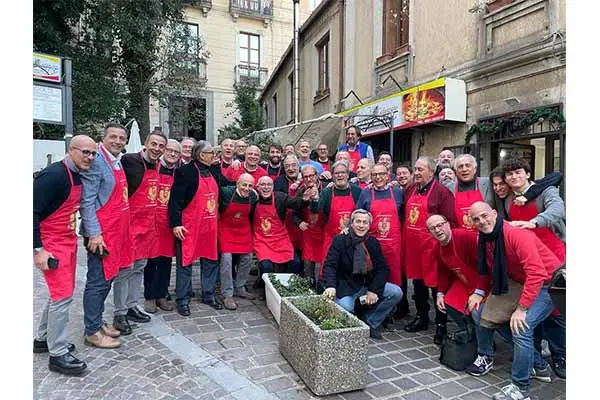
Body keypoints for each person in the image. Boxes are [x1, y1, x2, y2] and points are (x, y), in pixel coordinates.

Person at [466, 201, 563, 400]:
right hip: (521, 282)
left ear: (494, 213)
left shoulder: (516, 234)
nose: (482, 221)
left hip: (549, 284)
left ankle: (520, 388)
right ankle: (538, 364)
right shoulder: (484, 239)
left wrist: (522, 308)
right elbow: (487, 269)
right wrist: (478, 291)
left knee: (521, 326)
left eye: (485, 215)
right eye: (476, 219)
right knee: (479, 310)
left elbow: (537, 272)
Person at [33, 134, 97, 375]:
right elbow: (31, 211)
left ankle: (43, 339)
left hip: (67, 241)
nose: (89, 157)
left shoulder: (76, 174)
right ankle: (58, 354)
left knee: (60, 294)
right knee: (61, 298)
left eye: (93, 153)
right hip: (51, 244)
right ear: (71, 150)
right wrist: (38, 249)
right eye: (85, 152)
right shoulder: (54, 175)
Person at [80, 123, 133, 349]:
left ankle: (97, 321)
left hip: (115, 232)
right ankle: (92, 331)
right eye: (113, 137)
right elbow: (87, 202)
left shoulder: (115, 160)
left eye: (122, 138)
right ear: (103, 138)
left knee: (107, 281)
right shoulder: (97, 163)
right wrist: (94, 234)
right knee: (97, 283)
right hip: (102, 234)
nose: (118, 141)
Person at [111, 131, 167, 335]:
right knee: (124, 270)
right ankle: (119, 313)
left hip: (146, 228)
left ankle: (132, 306)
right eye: (154, 144)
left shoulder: (159, 165)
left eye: (161, 146)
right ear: (146, 143)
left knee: (139, 268)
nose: (157, 149)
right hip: (129, 226)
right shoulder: (129, 161)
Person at [169, 141, 229, 316]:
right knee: (185, 263)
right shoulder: (185, 172)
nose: (215, 155)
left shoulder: (213, 171)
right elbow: (174, 201)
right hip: (189, 226)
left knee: (210, 261)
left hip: (209, 226)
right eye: (211, 152)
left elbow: (228, 184)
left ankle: (208, 295)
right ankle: (182, 299)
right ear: (202, 155)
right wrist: (175, 224)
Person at [322, 209, 403, 339]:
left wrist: (373, 290)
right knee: (345, 308)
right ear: (351, 224)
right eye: (358, 221)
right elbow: (330, 265)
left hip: (367, 284)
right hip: (346, 286)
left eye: (365, 222)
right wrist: (330, 285)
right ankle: (354, 317)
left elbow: (383, 269)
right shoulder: (340, 240)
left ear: (369, 225)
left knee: (395, 292)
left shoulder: (372, 242)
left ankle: (370, 322)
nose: (361, 225)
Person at [403, 156, 457, 345]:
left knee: (437, 287)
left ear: (431, 171)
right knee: (417, 285)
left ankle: (441, 325)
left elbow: (451, 221)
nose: (416, 173)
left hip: (433, 248)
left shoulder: (442, 193)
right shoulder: (410, 189)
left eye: (420, 169)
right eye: (415, 169)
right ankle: (422, 317)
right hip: (414, 246)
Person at [501, 158, 565, 263]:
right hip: (526, 254)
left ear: (527, 175)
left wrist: (534, 223)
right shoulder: (508, 197)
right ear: (506, 179)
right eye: (510, 174)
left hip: (552, 251)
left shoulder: (546, 190)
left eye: (518, 172)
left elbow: (557, 209)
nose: (514, 176)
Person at [143, 139, 181, 314]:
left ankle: (161, 294)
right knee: (151, 261)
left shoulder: (179, 173)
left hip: (168, 224)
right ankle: (149, 297)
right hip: (151, 221)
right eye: (170, 150)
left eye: (176, 152)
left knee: (165, 261)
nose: (173, 154)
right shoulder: (152, 167)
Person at [252, 176, 316, 278]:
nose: (266, 187)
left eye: (269, 185)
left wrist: (304, 200)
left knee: (295, 263)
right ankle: (265, 286)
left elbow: (294, 203)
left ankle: (288, 285)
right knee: (266, 266)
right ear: (257, 187)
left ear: (273, 187)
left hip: (280, 239)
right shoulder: (253, 200)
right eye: (263, 185)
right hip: (262, 240)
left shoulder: (280, 197)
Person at [425, 214, 480, 333]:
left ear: (448, 224)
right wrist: (440, 293)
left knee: (477, 311)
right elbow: (444, 272)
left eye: (439, 225)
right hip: (464, 282)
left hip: (482, 282)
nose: (437, 230)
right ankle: (470, 333)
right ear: (430, 233)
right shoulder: (437, 249)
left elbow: (486, 265)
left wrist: (479, 292)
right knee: (448, 303)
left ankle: (485, 344)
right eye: (432, 228)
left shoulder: (465, 236)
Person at [356, 163, 404, 289]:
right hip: (372, 244)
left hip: (393, 245)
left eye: (381, 174)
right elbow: (357, 215)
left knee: (395, 275)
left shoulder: (398, 192)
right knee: (373, 275)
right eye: (375, 174)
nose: (378, 177)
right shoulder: (365, 193)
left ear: (388, 175)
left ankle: (398, 304)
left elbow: (403, 216)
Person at [311, 161, 363, 270]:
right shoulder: (326, 192)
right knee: (328, 268)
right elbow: (316, 210)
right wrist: (315, 200)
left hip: (352, 239)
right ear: (332, 176)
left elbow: (363, 213)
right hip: (331, 238)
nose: (340, 175)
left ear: (348, 175)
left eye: (342, 172)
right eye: (336, 173)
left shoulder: (357, 191)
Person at [218, 173, 258, 310]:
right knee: (227, 259)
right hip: (227, 229)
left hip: (243, 229)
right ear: (237, 184)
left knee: (247, 258)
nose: (246, 188)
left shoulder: (253, 197)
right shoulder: (226, 192)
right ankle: (227, 294)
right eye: (244, 185)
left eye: (250, 186)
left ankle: (240, 287)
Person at [443, 154, 495, 233]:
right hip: (461, 236)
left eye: (468, 165)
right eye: (460, 167)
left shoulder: (488, 183)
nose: (464, 169)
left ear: (474, 169)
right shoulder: (448, 188)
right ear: (456, 171)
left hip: (487, 234)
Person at [295, 165, 325, 287]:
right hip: (308, 232)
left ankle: (322, 289)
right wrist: (299, 222)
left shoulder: (327, 189)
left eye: (311, 176)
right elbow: (294, 212)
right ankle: (309, 289)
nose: (308, 179)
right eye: (305, 176)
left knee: (323, 266)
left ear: (317, 175)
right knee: (308, 265)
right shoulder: (300, 191)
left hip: (323, 231)